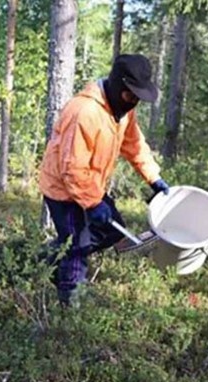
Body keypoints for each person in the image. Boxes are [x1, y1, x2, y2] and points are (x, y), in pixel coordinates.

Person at [39, 53, 170, 306]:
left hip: (91, 185)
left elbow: (134, 144)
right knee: (77, 245)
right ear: (118, 85)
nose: (133, 102)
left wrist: (153, 178)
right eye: (130, 95)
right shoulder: (84, 112)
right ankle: (71, 304)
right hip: (63, 191)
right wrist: (92, 203)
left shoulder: (122, 112)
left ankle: (50, 257)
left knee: (110, 232)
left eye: (138, 98)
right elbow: (72, 169)